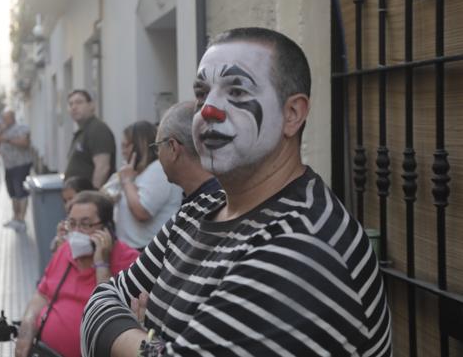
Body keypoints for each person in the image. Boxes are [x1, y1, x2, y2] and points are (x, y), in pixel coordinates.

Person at [81, 27, 392, 356]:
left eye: (238, 92)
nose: (207, 112)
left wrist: (143, 338)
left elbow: (108, 323)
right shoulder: (196, 212)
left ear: (293, 114)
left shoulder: (304, 246)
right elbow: (99, 301)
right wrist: (156, 347)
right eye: (202, 95)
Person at [14, 191, 139, 357]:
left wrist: (102, 263)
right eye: (72, 224)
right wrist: (27, 323)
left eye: (86, 225)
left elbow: (108, 312)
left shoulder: (129, 260)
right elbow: (42, 294)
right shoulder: (65, 250)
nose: (77, 231)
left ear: (107, 228)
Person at [113, 121, 183, 251]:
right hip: (131, 248)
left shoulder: (158, 170)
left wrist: (127, 182)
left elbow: (142, 211)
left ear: (140, 145)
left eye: (126, 146)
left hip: (148, 251)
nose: (123, 152)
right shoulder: (137, 172)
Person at [152, 101, 221, 204]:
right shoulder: (222, 198)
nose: (158, 155)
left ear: (173, 148)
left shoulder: (209, 209)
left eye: (158, 146)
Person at [64, 89, 116, 188]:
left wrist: (92, 195)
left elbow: (102, 167)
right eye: (71, 104)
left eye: (79, 102)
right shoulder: (82, 131)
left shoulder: (98, 129)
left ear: (92, 106)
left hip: (88, 199)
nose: (74, 107)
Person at [0, 110, 33, 231]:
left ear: (12, 118)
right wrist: (0, 130)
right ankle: (15, 217)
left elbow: (25, 143)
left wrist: (7, 139)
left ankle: (22, 220)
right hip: (8, 166)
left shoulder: (22, 127)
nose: (4, 121)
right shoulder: (3, 130)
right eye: (3, 118)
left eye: (6, 118)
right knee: (13, 193)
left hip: (21, 164)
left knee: (21, 192)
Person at [50, 176, 97, 253]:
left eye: (71, 199)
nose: (67, 205)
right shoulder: (66, 225)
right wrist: (59, 239)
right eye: (65, 201)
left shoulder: (96, 225)